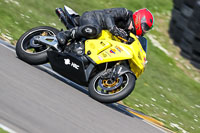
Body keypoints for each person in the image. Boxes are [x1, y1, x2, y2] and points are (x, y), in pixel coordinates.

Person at [56, 8, 154, 46]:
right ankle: (65, 34)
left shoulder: (130, 33)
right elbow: (109, 15)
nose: (145, 31)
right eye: (145, 27)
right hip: (92, 18)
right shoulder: (125, 13)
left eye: (147, 30)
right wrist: (113, 28)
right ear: (139, 20)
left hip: (101, 32)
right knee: (95, 30)